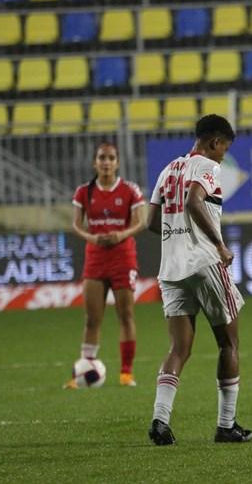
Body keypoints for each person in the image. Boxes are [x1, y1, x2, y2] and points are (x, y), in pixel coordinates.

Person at [146, 114, 252, 445]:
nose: (223, 155)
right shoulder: (207, 166)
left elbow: (151, 220)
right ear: (213, 142)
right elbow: (194, 200)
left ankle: (160, 421)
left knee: (179, 348)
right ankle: (225, 425)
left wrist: (175, 234)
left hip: (172, 269)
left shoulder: (167, 170)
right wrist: (218, 244)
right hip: (205, 262)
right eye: (224, 148)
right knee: (229, 343)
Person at [66, 143, 146, 388]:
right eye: (102, 158)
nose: (106, 162)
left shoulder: (130, 190)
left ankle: (126, 373)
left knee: (126, 315)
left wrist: (121, 235)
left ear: (118, 163)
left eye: (111, 157)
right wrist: (92, 238)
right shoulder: (84, 192)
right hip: (96, 257)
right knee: (92, 318)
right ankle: (84, 369)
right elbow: (76, 224)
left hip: (123, 257)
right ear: (94, 162)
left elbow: (141, 221)